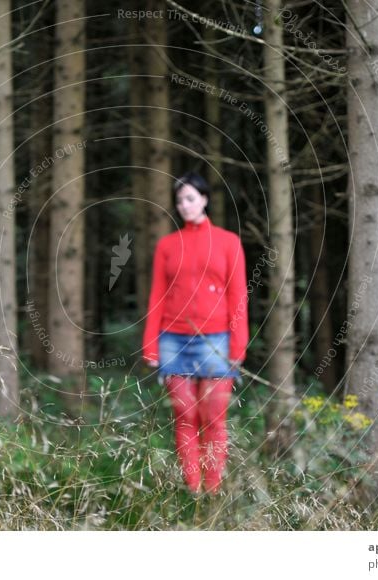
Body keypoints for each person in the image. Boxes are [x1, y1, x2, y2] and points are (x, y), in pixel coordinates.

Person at [142, 172, 249, 495]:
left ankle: (213, 490)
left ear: (204, 199)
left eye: (190, 199)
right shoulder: (167, 246)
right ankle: (193, 490)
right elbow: (157, 295)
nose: (184, 206)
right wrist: (151, 346)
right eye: (179, 201)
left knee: (213, 418)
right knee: (185, 416)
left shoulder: (229, 242)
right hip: (173, 341)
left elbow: (238, 296)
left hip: (216, 342)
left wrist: (238, 344)